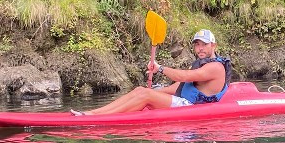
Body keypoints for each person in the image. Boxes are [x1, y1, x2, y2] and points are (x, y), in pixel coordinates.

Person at [73, 29, 232, 115]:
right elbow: (177, 87)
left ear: (213, 46)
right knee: (140, 90)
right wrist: (154, 91)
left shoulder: (215, 67)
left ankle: (99, 117)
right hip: (183, 101)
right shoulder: (200, 64)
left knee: (146, 96)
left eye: (204, 44)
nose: (200, 48)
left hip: (191, 107)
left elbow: (184, 76)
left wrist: (160, 68)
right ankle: (94, 112)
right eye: (197, 45)